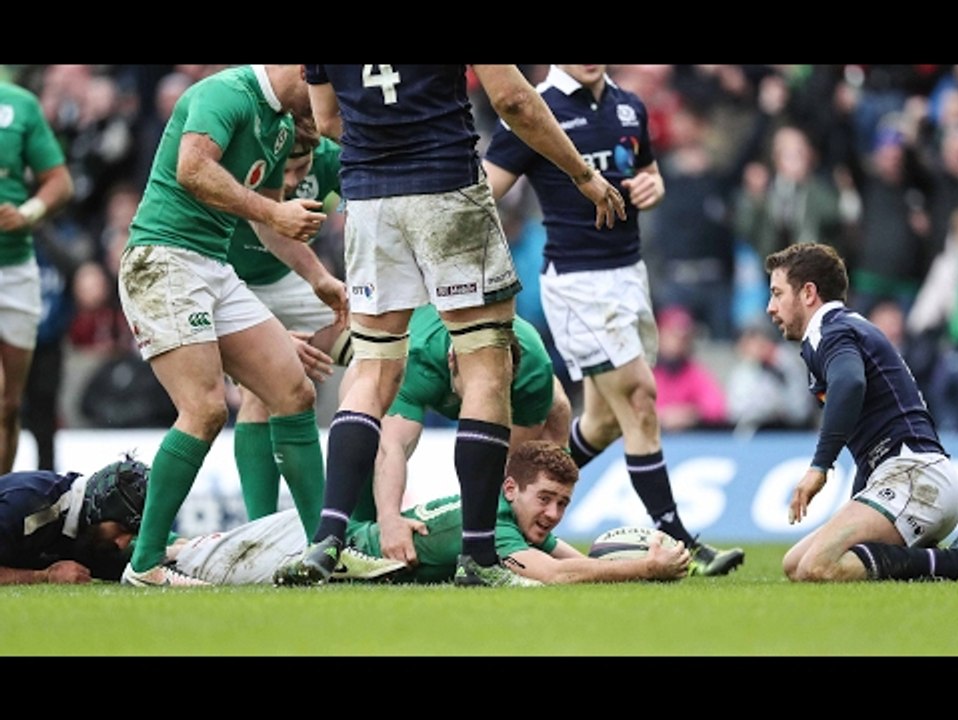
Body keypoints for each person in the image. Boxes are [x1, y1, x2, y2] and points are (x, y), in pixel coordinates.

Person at [275, 64, 627, 588]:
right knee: (485, 369)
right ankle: (479, 555)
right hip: (447, 187)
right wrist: (582, 174)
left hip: (369, 199)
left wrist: (385, 150)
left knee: (372, 372)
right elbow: (514, 100)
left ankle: (329, 540)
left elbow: (326, 120)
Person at [483, 64, 744, 576]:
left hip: (629, 276)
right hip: (577, 282)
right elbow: (487, 187)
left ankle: (498, 503)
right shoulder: (533, 109)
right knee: (641, 398)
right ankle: (681, 541)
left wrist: (653, 187)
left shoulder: (629, 106)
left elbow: (648, 172)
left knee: (603, 423)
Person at [116, 65, 347, 588]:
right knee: (204, 409)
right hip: (163, 259)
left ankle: (327, 549)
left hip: (213, 267)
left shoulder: (281, 125)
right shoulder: (225, 93)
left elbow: (269, 223)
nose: (327, 98)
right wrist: (274, 211)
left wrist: (320, 279)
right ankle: (145, 563)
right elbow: (192, 168)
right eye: (325, 82)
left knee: (293, 391)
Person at [189, 441, 690, 585]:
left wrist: (634, 564)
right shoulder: (492, 527)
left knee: (193, 558)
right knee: (182, 561)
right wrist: (646, 568)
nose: (554, 513)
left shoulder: (510, 515)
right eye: (545, 498)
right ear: (511, 488)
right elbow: (557, 576)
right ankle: (143, 543)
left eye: (563, 502)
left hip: (331, 543)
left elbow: (573, 561)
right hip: (306, 548)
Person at [766, 242, 958, 582]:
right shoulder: (843, 327)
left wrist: (820, 466)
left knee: (818, 566)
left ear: (808, 293)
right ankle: (925, 559)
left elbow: (850, 383)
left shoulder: (830, 331)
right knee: (795, 564)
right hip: (905, 479)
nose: (770, 307)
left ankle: (952, 563)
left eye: (777, 294)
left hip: (915, 479)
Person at [347, 303, 572, 565]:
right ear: (453, 361)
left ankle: (513, 539)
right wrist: (389, 520)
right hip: (408, 352)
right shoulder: (416, 358)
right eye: (480, 385)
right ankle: (355, 532)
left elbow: (509, 470)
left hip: (525, 380)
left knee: (555, 410)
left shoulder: (532, 375)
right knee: (362, 406)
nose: (483, 395)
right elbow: (390, 446)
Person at [226, 121, 352, 521]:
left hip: (292, 275)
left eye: (301, 169)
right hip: (230, 280)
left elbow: (354, 212)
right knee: (259, 390)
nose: (293, 181)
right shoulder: (238, 159)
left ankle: (361, 516)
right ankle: (260, 527)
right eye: (285, 170)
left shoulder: (332, 159)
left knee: (374, 358)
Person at [0, 79, 75, 473]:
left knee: (10, 405)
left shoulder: (20, 105)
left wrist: (27, 213)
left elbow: (60, 182)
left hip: (15, 266)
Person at [0, 454, 149, 585]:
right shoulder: (29, 505)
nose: (123, 543)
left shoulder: (86, 528)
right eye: (121, 529)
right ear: (99, 507)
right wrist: (44, 576)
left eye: (133, 534)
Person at [651, 305, 728, 432]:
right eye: (672, 335)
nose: (678, 342)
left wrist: (690, 414)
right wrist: (660, 416)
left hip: (688, 439)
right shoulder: (646, 372)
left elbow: (717, 408)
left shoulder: (696, 373)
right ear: (659, 335)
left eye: (684, 338)